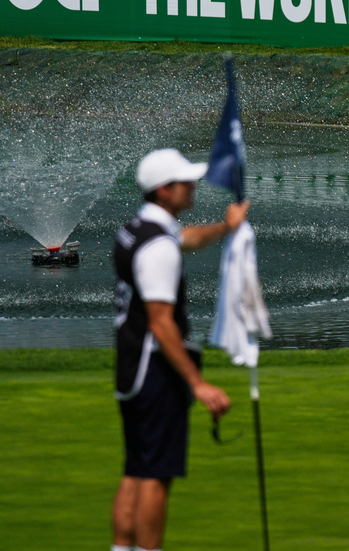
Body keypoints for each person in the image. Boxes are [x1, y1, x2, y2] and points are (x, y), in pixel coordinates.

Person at [111, 148, 249, 551]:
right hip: (156, 371)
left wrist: (226, 226)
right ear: (165, 190)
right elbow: (161, 322)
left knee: (136, 468)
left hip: (131, 365)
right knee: (157, 474)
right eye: (185, 181)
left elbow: (185, 237)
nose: (192, 187)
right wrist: (198, 384)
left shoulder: (138, 228)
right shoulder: (158, 247)